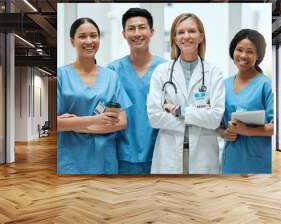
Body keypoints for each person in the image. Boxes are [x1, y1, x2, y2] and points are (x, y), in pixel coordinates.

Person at [147, 13, 225, 174]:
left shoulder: (214, 73)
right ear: (175, 38)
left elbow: (215, 118)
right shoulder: (161, 72)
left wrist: (179, 111)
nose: (186, 36)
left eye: (192, 31)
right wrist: (201, 117)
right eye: (181, 32)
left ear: (201, 36)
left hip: (203, 154)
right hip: (168, 153)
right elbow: (154, 117)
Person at [57, 18, 131, 174]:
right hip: (71, 159)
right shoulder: (61, 76)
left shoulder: (111, 77)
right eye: (82, 36)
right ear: (72, 41)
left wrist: (75, 125)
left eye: (94, 35)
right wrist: (95, 120)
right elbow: (54, 124)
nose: (89, 41)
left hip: (104, 159)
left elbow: (122, 122)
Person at [107, 8, 166, 174]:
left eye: (142, 27)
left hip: (160, 151)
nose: (137, 33)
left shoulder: (165, 69)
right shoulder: (113, 70)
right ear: (124, 33)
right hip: (124, 154)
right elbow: (104, 108)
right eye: (131, 28)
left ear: (152, 31)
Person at [218, 29, 274, 174]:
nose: (243, 55)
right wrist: (223, 133)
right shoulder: (223, 85)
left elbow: (275, 127)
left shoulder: (265, 85)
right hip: (231, 160)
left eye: (250, 51)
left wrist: (246, 130)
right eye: (239, 50)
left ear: (258, 56)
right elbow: (216, 123)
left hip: (258, 161)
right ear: (233, 51)